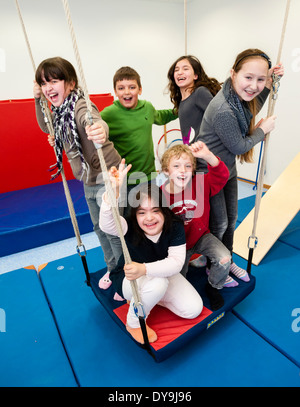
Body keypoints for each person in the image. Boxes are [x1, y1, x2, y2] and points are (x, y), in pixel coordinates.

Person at [195, 48, 284, 280]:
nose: (254, 86)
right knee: (220, 222)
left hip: (227, 170)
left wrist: (273, 82)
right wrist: (262, 131)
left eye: (260, 79)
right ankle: (215, 262)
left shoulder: (238, 98)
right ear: (233, 74)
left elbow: (254, 102)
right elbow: (239, 146)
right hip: (210, 172)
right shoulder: (224, 108)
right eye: (248, 77)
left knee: (231, 219)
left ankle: (229, 259)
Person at [33, 57, 123, 287]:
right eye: (43, 84)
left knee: (112, 228)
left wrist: (99, 131)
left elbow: (91, 119)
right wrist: (37, 100)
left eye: (53, 81)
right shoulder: (60, 111)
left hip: (107, 175)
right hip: (88, 180)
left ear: (71, 83)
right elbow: (47, 125)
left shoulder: (80, 105)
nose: (48, 88)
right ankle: (113, 267)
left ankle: (124, 273)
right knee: (98, 227)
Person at [99, 160, 203, 344]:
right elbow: (107, 224)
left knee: (193, 309)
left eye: (155, 211)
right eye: (142, 212)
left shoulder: (175, 225)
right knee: (158, 284)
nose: (149, 218)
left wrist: (144, 269)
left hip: (159, 274)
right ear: (134, 215)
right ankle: (134, 323)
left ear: (164, 211)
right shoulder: (128, 226)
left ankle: (150, 299)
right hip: (129, 279)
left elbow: (176, 263)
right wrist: (112, 193)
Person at [161, 141, 231, 310]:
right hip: (179, 245)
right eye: (176, 166)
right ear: (166, 171)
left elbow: (222, 175)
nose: (183, 170)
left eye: (187, 166)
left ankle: (213, 287)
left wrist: (207, 155)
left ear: (193, 170)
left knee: (225, 258)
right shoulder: (160, 195)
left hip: (201, 237)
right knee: (178, 282)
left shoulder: (201, 183)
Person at [100, 66, 177, 212]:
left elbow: (161, 116)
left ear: (140, 90)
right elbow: (91, 127)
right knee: (131, 219)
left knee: (153, 213)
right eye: (121, 88)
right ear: (115, 92)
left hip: (150, 176)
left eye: (132, 87)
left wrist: (181, 108)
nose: (127, 92)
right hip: (127, 180)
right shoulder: (109, 114)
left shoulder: (147, 107)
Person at [167, 55, 221, 144]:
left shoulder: (200, 93)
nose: (180, 72)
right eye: (176, 70)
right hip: (192, 154)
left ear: (195, 76)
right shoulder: (182, 102)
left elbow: (219, 119)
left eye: (185, 69)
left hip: (207, 152)